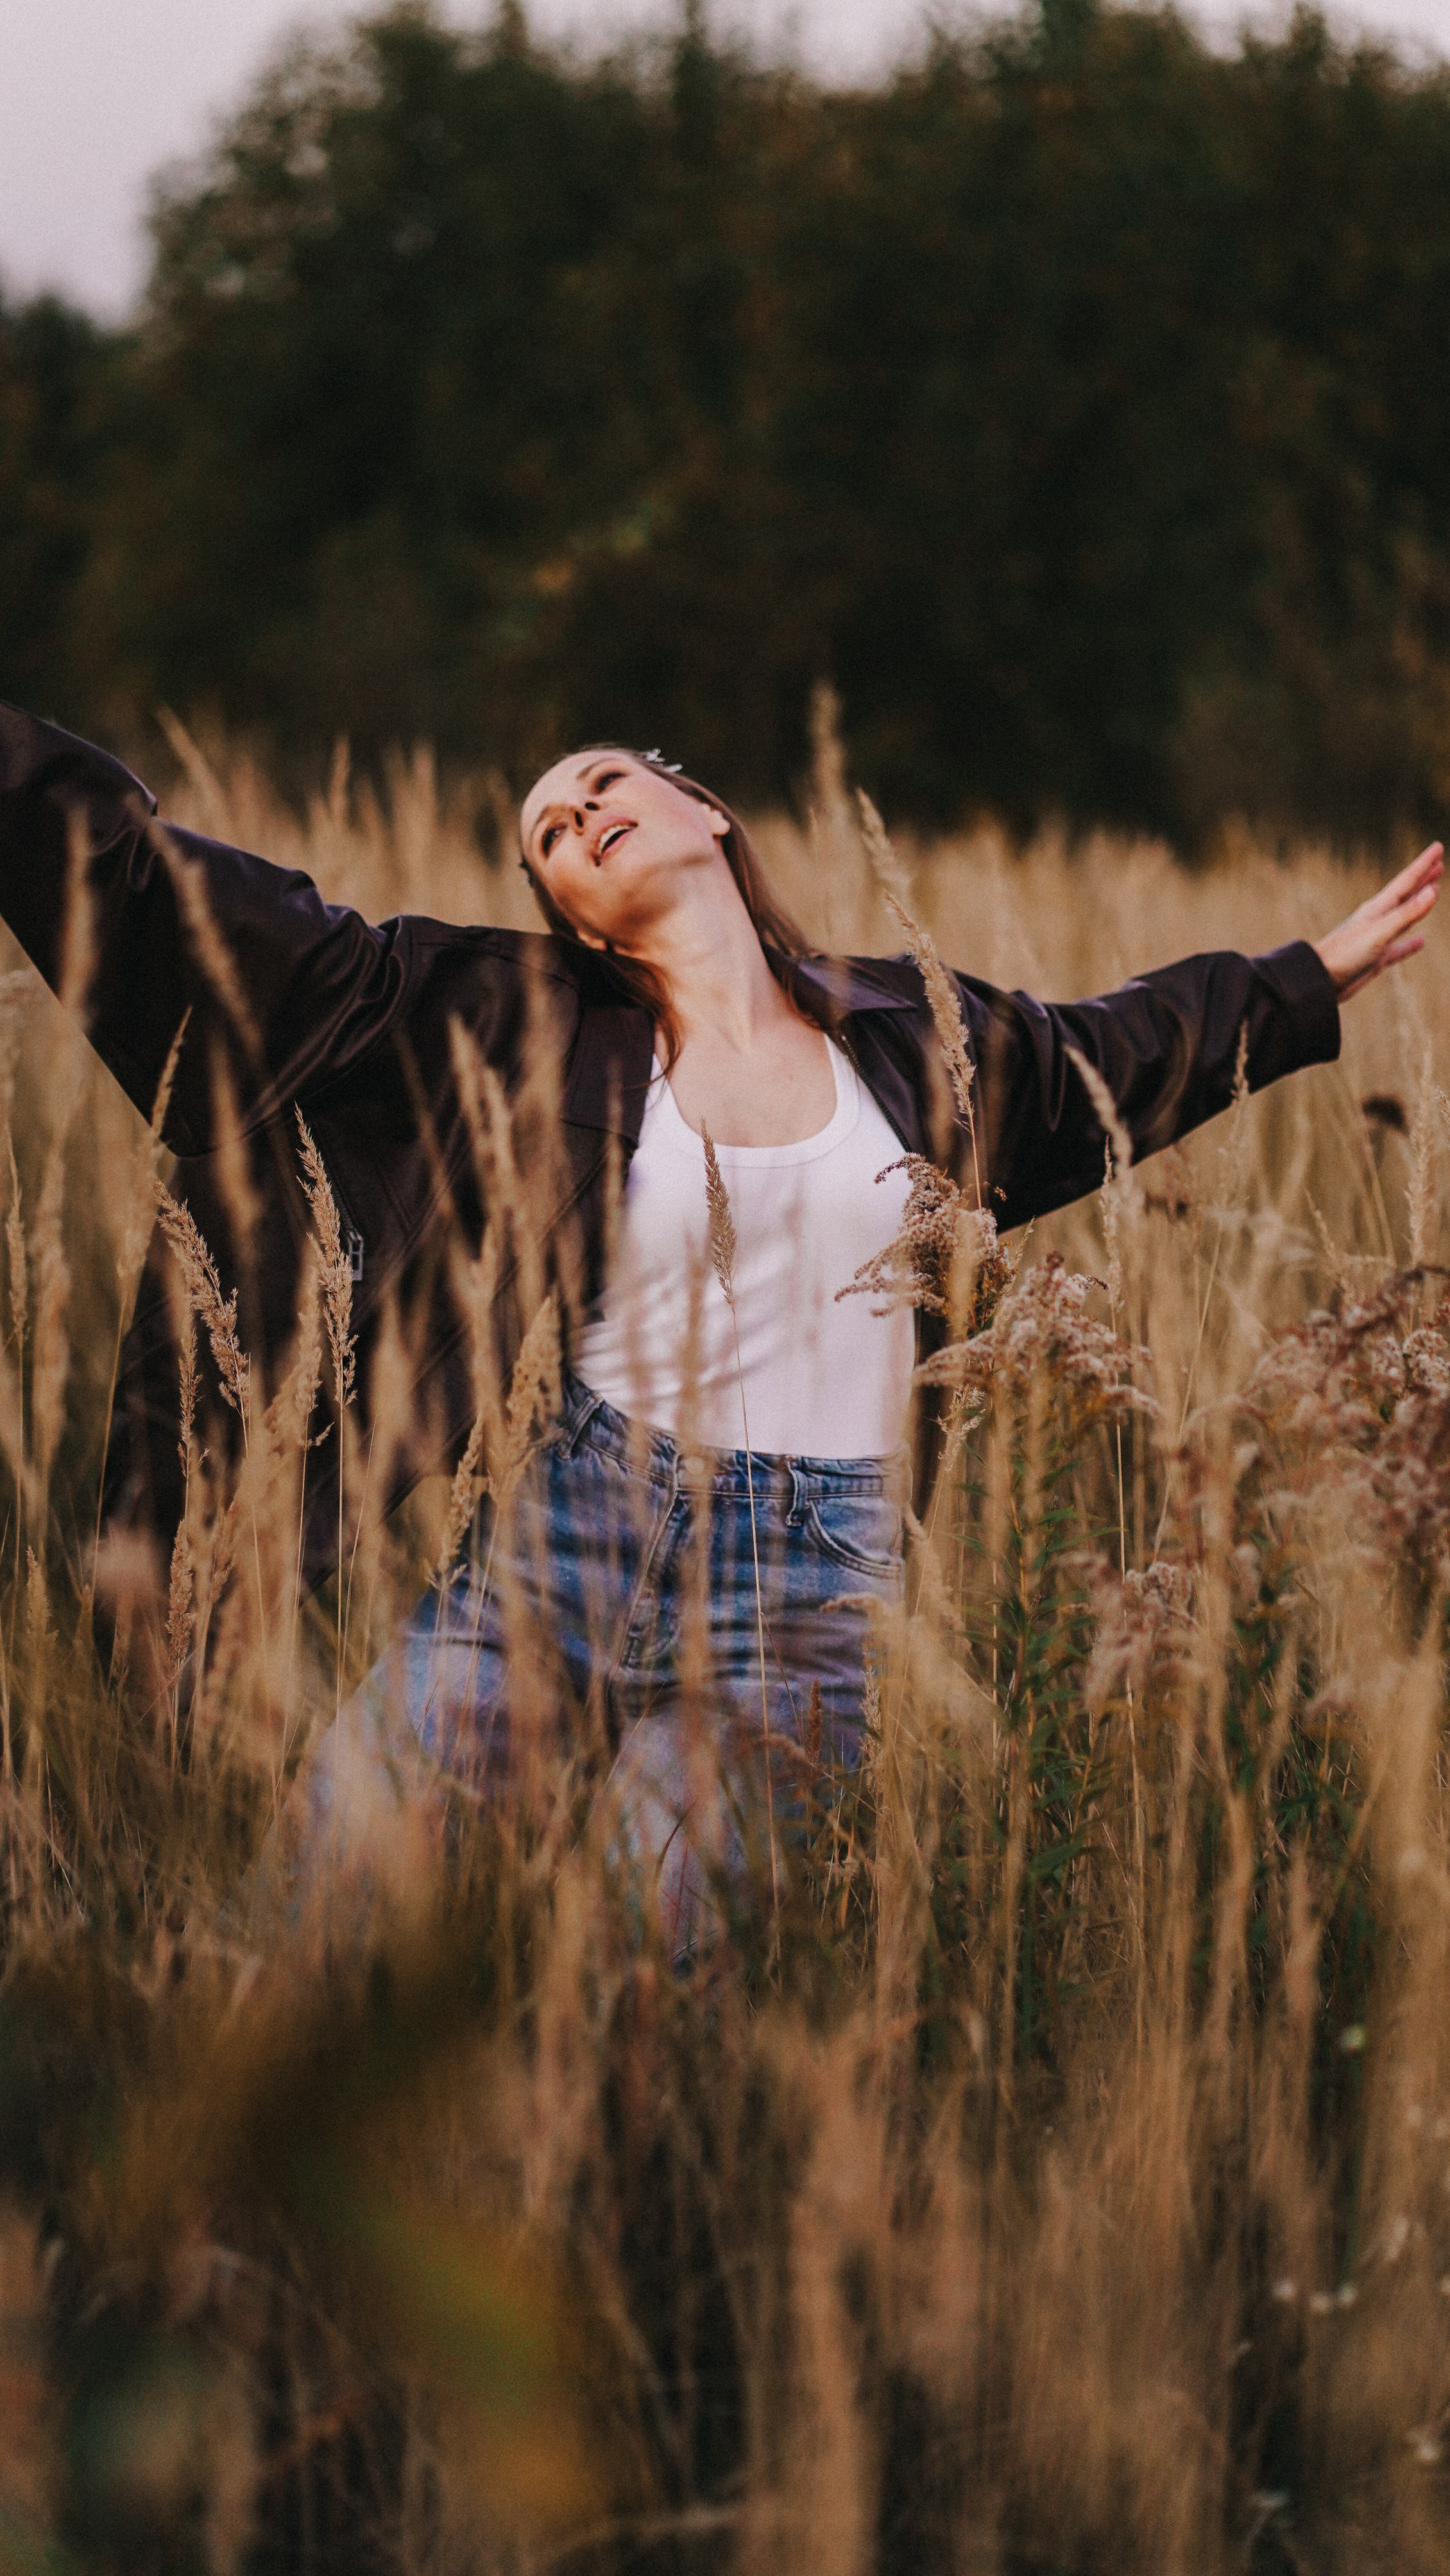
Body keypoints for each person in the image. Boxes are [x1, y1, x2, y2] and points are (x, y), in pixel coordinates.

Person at [0, 708, 1440, 1936]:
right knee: (316, 1898)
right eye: (550, 832)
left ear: (700, 810)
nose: (577, 816)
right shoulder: (504, 1016)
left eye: (601, 785)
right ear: (564, 908)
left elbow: (1109, 1051)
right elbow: (209, 924)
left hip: (806, 1601)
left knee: (645, 1939)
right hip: (564, 1536)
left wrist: (1308, 976)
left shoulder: (912, 1036)